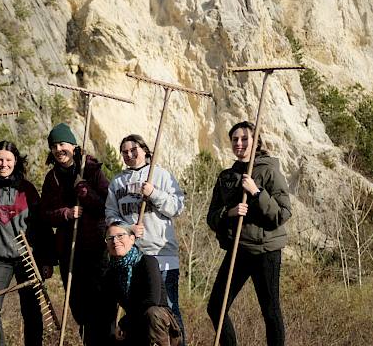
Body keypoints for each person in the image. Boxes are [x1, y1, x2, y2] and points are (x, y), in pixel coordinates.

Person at [206, 121, 292, 346]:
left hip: (265, 250)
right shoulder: (226, 176)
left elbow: (282, 214)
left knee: (270, 311)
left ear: (256, 142)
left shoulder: (269, 171)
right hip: (238, 249)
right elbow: (212, 216)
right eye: (235, 139)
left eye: (245, 139)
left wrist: (256, 192)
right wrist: (230, 213)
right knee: (216, 306)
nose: (239, 143)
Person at [0, 140, 55, 346]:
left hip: (27, 257)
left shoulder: (27, 190)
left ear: (16, 161)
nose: (3, 164)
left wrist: (47, 260)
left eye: (8, 159)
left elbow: (42, 228)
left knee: (32, 309)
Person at [105, 134, 186, 340]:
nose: (129, 154)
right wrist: (128, 228)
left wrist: (155, 193)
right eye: (125, 152)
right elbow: (110, 214)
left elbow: (177, 207)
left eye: (134, 150)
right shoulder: (117, 182)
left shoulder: (160, 175)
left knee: (168, 309)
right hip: (132, 257)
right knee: (137, 310)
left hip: (160, 254)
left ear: (145, 150)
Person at [38, 123, 112, 345]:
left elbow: (107, 206)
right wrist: (66, 213)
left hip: (96, 248)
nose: (59, 149)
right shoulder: (52, 179)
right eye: (54, 145)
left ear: (73, 145)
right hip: (69, 252)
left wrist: (85, 192)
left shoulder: (91, 170)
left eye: (62, 144)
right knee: (79, 307)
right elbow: (45, 214)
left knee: (102, 304)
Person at [100, 221, 182, 346]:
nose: (115, 241)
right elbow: (106, 306)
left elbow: (152, 300)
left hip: (160, 325)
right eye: (110, 238)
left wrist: (124, 322)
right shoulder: (112, 272)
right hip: (134, 323)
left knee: (152, 313)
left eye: (120, 236)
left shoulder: (147, 262)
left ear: (132, 239)